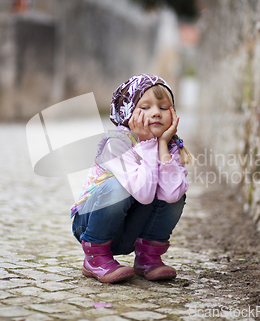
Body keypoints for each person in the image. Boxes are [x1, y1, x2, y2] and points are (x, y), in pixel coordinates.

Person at [70, 74, 193, 283]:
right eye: (145, 107)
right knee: (118, 187)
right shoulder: (116, 143)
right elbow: (144, 195)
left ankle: (148, 258)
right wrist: (146, 143)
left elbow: (172, 196)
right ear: (128, 111)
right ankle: (95, 258)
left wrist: (161, 145)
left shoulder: (170, 147)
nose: (156, 113)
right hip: (91, 224)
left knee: (177, 192)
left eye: (164, 108)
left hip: (129, 231)